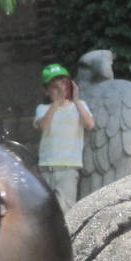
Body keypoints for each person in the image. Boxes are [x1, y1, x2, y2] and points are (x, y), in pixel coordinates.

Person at [34, 64, 93, 210]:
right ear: (46, 90)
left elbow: (89, 125)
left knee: (65, 213)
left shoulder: (80, 106)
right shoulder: (43, 109)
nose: (60, 89)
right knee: (46, 212)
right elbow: (43, 126)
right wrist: (56, 103)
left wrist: (77, 100)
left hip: (68, 169)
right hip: (46, 167)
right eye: (54, 87)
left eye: (63, 84)